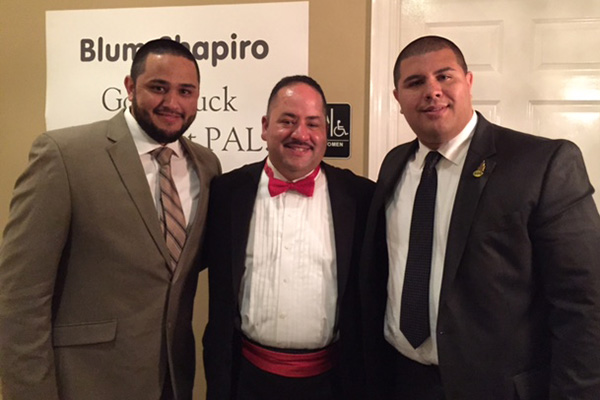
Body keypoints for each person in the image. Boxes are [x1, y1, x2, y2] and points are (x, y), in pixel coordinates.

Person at [360, 35, 600, 399]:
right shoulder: (394, 163)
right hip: (401, 379)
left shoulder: (542, 164)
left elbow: (584, 302)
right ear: (397, 98)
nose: (432, 91)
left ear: (468, 82)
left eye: (445, 76)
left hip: (496, 388)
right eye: (415, 82)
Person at [0, 38, 221, 400]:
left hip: (172, 381)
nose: (173, 103)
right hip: (87, 383)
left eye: (186, 91)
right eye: (158, 88)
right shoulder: (64, 156)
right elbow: (20, 297)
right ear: (130, 87)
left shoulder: (207, 165)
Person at [202, 75, 374, 400]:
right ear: (265, 127)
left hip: (333, 384)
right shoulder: (226, 193)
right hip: (244, 380)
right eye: (288, 121)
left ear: (326, 132)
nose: (300, 134)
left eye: (313, 124)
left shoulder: (361, 198)